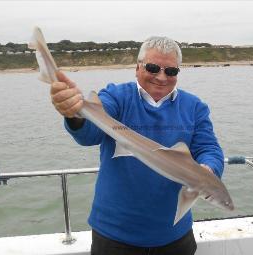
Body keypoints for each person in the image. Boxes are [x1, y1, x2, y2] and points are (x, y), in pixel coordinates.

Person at [50, 36, 224, 255]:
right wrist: (75, 114)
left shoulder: (194, 107)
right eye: (152, 68)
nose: (161, 77)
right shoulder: (116, 97)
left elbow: (209, 148)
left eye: (170, 71)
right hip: (115, 236)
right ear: (137, 67)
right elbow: (89, 135)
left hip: (174, 236)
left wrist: (207, 171)